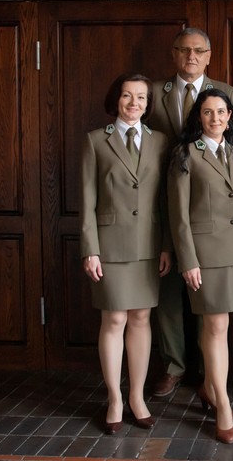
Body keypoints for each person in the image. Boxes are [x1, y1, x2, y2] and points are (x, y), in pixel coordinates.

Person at [147, 27, 233, 398]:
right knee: (171, 289)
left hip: (209, 206)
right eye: (184, 50)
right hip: (161, 199)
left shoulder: (226, 94)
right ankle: (174, 366)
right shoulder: (155, 92)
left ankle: (210, 375)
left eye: (199, 50)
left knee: (211, 304)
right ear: (174, 53)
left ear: (209, 55)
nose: (191, 56)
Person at [167, 89, 233, 445]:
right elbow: (178, 217)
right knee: (216, 324)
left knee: (218, 327)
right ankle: (222, 403)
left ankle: (209, 387)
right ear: (199, 118)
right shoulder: (185, 155)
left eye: (222, 112)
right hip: (204, 258)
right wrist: (187, 260)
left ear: (229, 116)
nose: (216, 119)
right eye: (208, 113)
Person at [80, 73, 173, 435]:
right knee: (114, 320)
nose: (134, 103)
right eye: (127, 96)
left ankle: (137, 397)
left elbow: (166, 201)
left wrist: (166, 244)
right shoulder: (95, 142)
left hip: (148, 245)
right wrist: (91, 250)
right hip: (110, 245)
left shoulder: (160, 142)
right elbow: (87, 202)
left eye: (141, 98)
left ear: (148, 105)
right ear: (115, 99)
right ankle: (114, 398)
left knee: (140, 319)